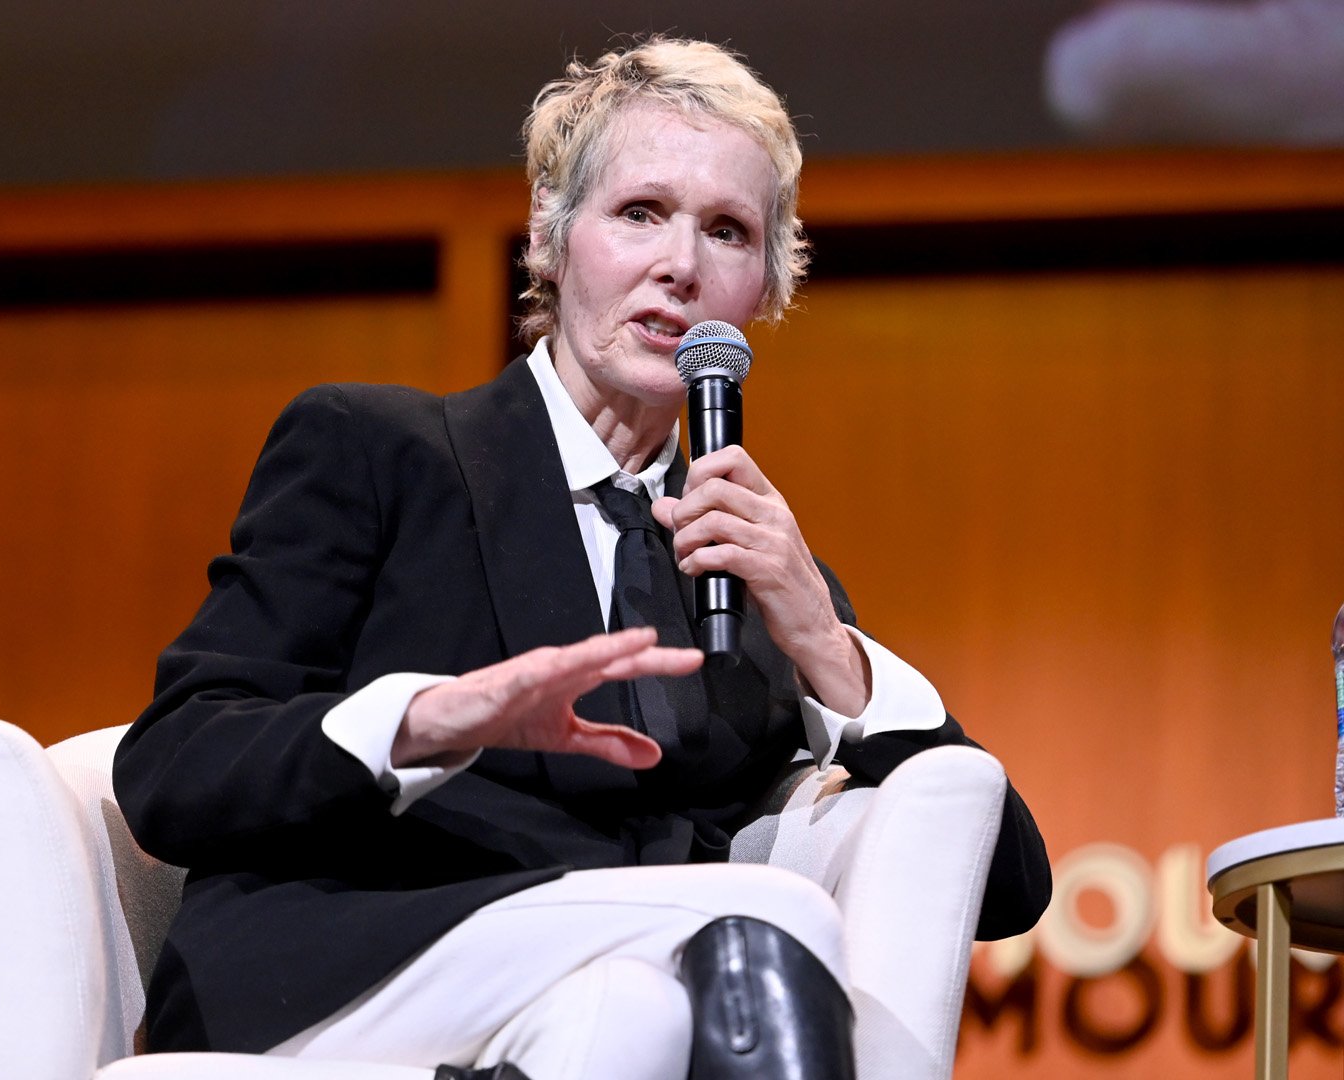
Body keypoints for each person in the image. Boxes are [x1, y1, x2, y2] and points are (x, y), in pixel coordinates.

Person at [113, 36, 1051, 1080]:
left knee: (636, 1014)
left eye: (728, 232)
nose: (680, 266)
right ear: (551, 242)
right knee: (766, 917)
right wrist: (427, 720)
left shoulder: (747, 562)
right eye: (641, 212)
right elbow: (174, 765)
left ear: (763, 296)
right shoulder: (376, 451)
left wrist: (829, 643)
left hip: (600, 1002)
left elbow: (1001, 881)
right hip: (346, 970)